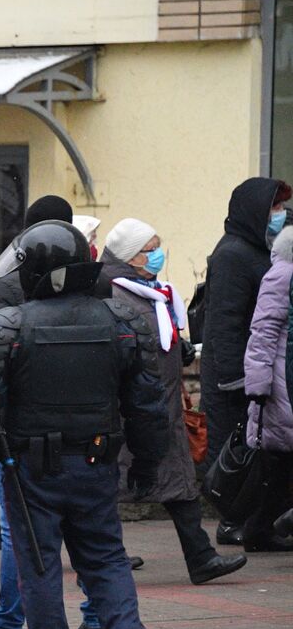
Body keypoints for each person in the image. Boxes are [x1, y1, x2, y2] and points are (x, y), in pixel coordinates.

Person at [0, 220, 169, 629]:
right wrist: (147, 464)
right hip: (96, 460)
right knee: (106, 556)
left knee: (40, 569)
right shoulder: (122, 321)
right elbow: (149, 405)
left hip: (30, 471)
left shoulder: (9, 325)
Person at [101, 218, 246, 584]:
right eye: (151, 250)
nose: (157, 256)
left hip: (160, 406)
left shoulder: (151, 290)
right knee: (106, 486)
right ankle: (58, 544)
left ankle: (201, 558)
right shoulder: (115, 293)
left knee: (179, 484)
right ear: (132, 257)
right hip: (129, 411)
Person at [200, 177, 291, 547]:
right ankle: (233, 522)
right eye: (274, 207)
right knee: (238, 456)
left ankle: (257, 524)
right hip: (234, 380)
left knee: (265, 457)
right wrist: (240, 382)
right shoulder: (233, 255)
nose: (280, 215)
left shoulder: (256, 250)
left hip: (252, 375)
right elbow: (225, 322)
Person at [241, 224, 293, 548]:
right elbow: (262, 332)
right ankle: (259, 527)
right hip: (282, 381)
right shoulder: (282, 274)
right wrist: (259, 384)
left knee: (282, 461)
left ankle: (261, 528)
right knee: (276, 460)